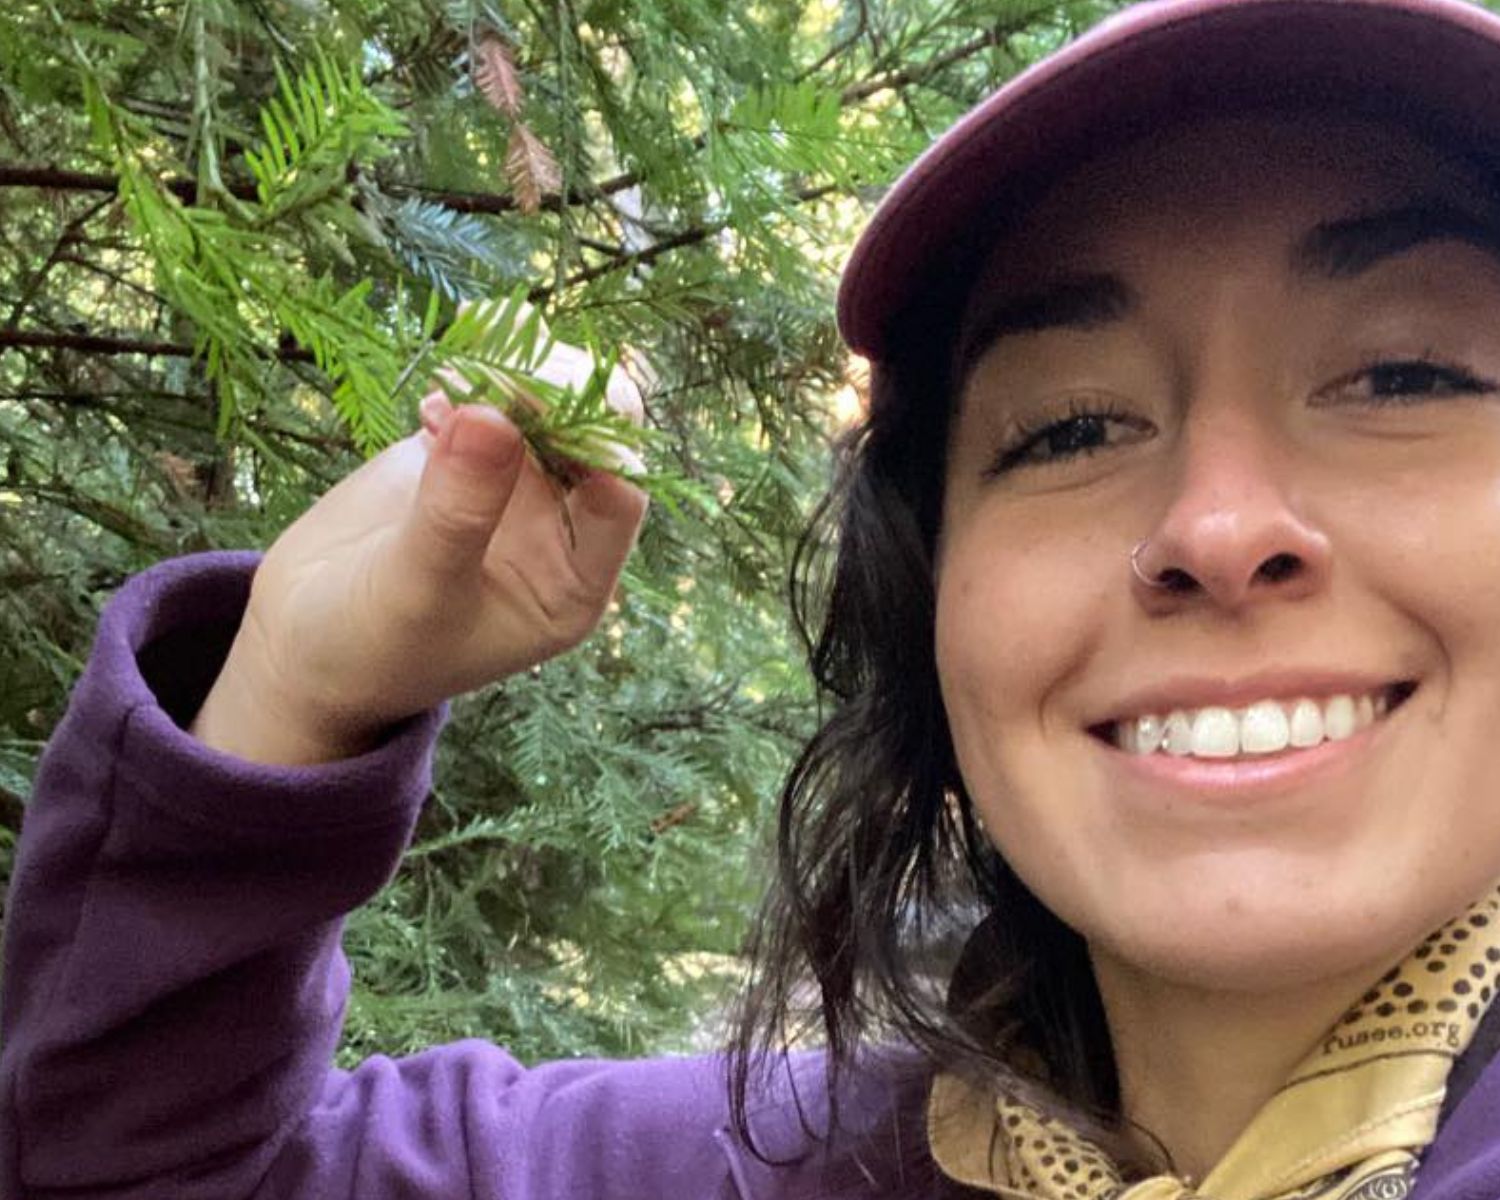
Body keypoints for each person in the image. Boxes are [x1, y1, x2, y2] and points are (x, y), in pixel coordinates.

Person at [9, 0, 1500, 1196]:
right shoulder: (757, 1167)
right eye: (1070, 428)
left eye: (1408, 375)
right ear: (929, 601)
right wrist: (292, 686)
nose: (1218, 525)